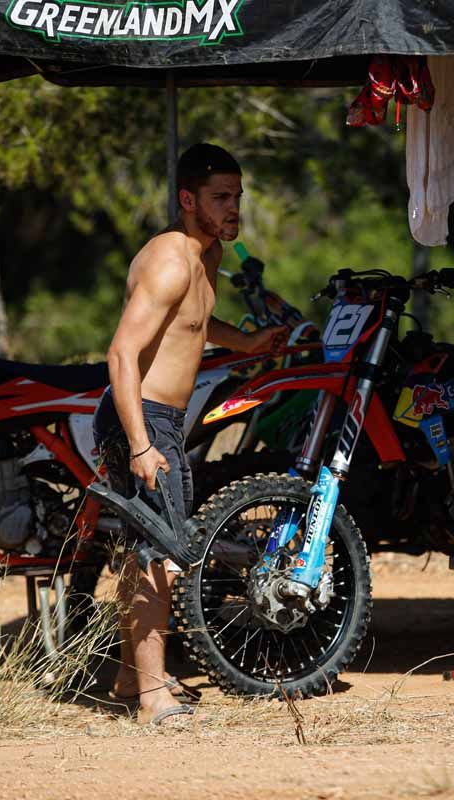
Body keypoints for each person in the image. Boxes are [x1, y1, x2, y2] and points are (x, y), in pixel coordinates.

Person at [93, 143, 285, 726]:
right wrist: (141, 445)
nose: (233, 208)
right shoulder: (169, 260)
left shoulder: (210, 256)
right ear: (187, 199)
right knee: (158, 554)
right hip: (143, 417)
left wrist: (248, 343)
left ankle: (132, 677)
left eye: (237, 197)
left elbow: (195, 324)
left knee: (145, 548)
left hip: (162, 421)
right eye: (220, 198)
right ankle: (154, 697)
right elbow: (122, 353)